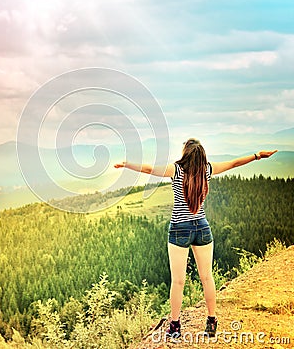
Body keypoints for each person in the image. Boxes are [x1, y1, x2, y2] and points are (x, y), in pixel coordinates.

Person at [114, 139, 277, 339]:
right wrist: (257, 156)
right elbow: (234, 163)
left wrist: (126, 164)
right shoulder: (207, 170)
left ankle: (175, 327)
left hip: (179, 230)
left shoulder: (176, 170)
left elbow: (149, 169)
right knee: (207, 277)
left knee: (178, 281)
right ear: (202, 156)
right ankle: (211, 321)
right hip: (202, 228)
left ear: (185, 154)